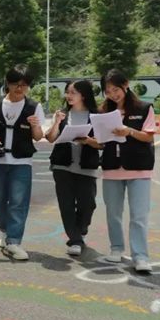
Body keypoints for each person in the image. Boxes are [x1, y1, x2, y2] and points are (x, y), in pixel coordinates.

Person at [0, 64, 45, 261]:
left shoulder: (34, 106)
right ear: (7, 83)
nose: (20, 89)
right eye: (16, 84)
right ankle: (6, 231)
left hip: (22, 161)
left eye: (24, 85)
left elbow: (38, 136)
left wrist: (35, 126)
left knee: (18, 201)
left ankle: (14, 241)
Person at [99, 69, 156, 273]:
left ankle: (140, 256)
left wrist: (129, 131)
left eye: (116, 89)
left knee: (139, 215)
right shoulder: (103, 111)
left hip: (139, 168)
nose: (113, 95)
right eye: (108, 91)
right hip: (111, 168)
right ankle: (116, 248)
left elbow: (148, 136)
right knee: (113, 213)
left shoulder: (144, 108)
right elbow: (100, 140)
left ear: (126, 85)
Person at [45, 80, 102, 256]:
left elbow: (103, 143)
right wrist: (56, 122)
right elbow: (50, 138)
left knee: (88, 204)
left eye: (72, 92)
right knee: (66, 205)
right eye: (67, 92)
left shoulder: (96, 115)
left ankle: (80, 230)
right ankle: (75, 240)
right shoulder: (62, 114)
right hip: (62, 165)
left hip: (87, 166)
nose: (68, 96)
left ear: (83, 95)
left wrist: (88, 141)